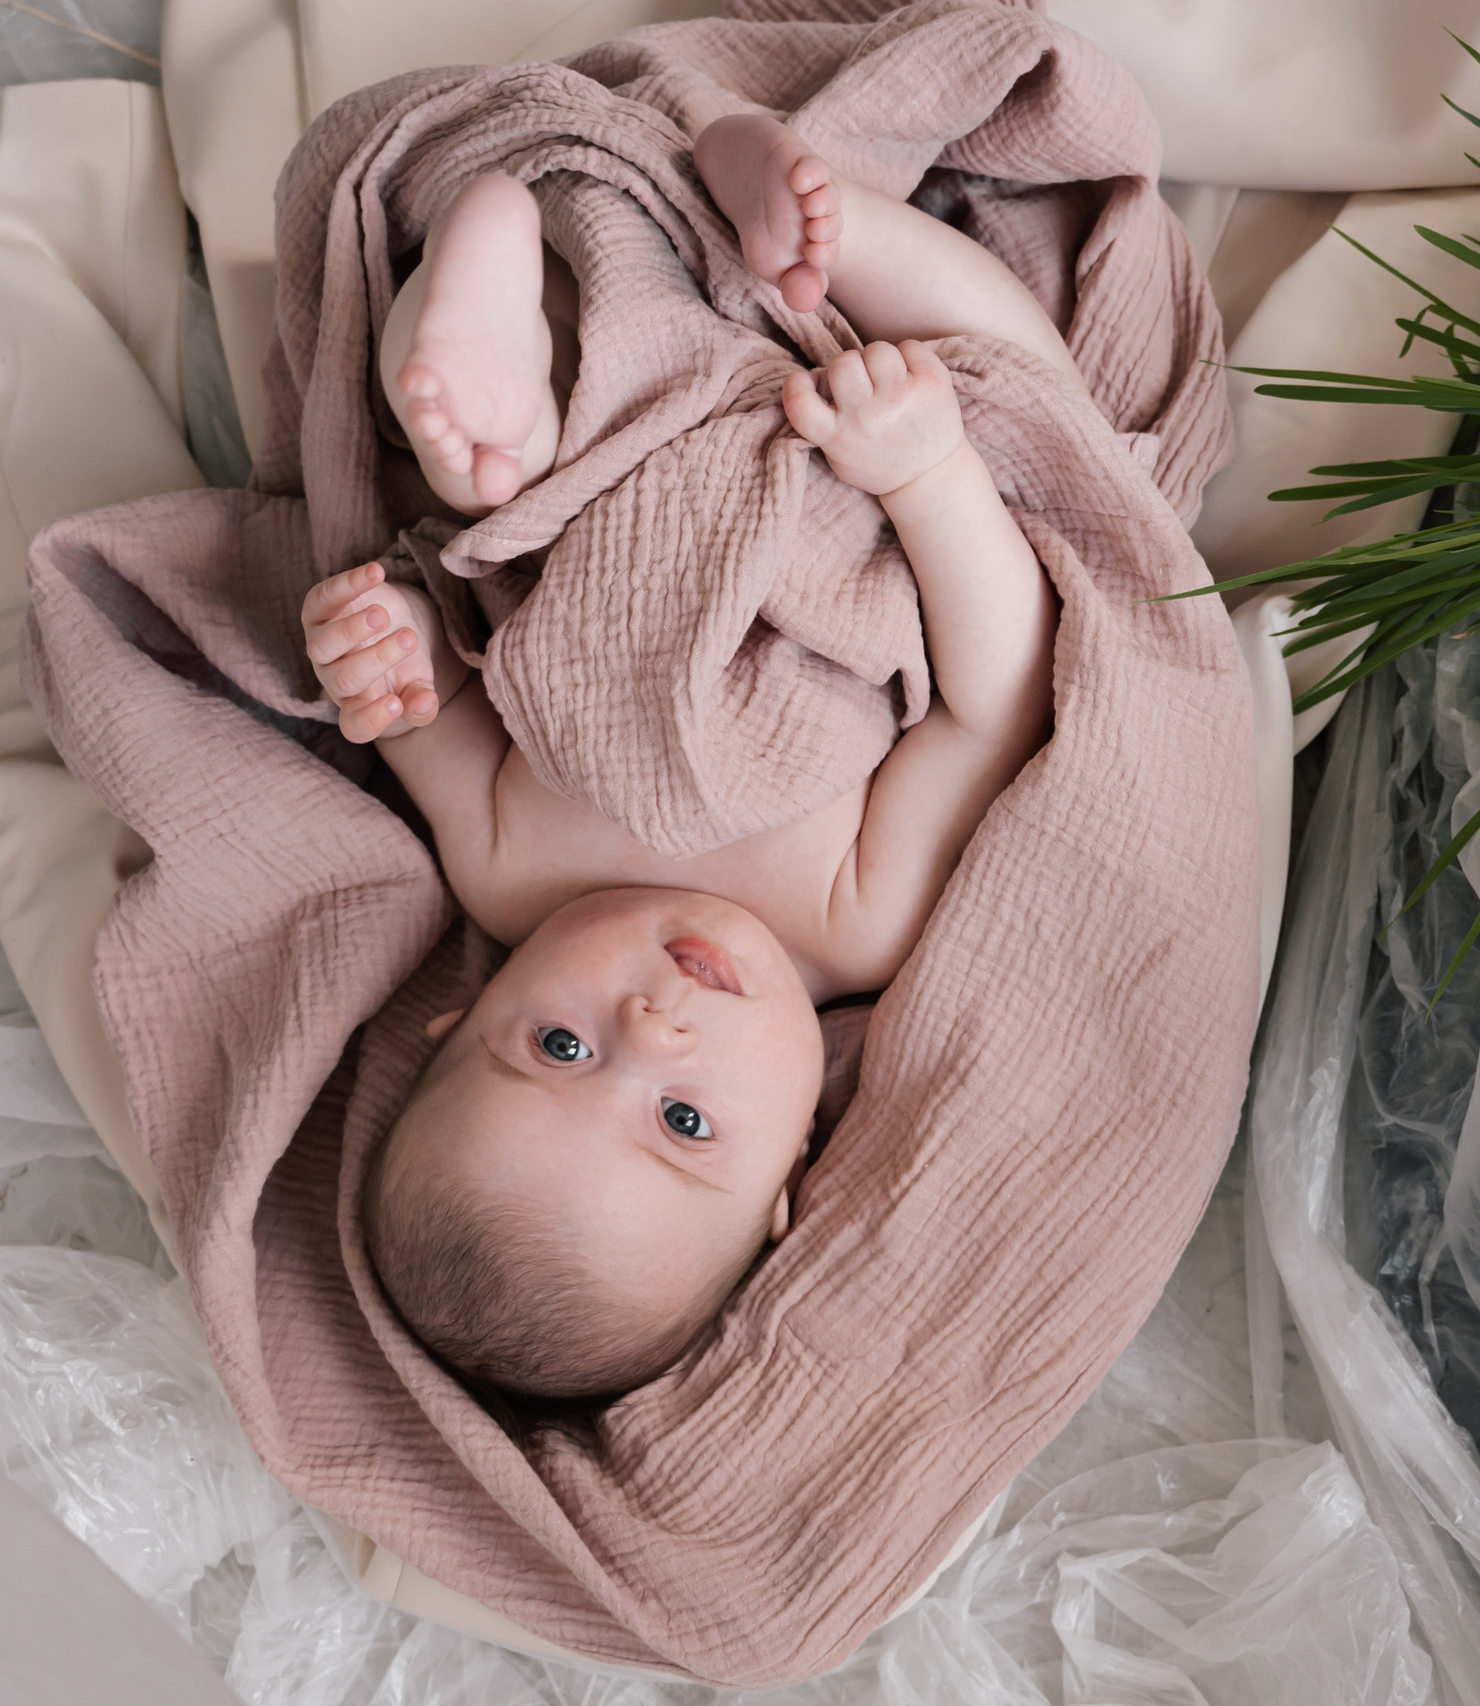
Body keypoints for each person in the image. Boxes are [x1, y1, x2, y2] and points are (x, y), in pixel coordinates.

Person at [300, 113, 1064, 1404]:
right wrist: (929, 473)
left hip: (613, 441)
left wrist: (384, 652)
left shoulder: (507, 870)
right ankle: (835, 232)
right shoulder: (855, 917)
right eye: (685, 1121)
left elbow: (421, 694)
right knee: (1027, 373)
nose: (650, 1027)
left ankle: (481, 350)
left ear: (462, 1012)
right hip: (844, 451)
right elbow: (996, 699)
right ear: (787, 1185)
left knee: (468, 473)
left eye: (557, 1046)